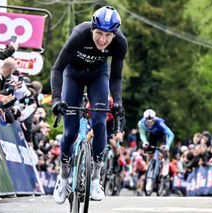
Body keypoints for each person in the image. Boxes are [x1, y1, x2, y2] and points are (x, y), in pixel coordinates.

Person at [50, 6, 127, 203]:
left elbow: (116, 77)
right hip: (72, 74)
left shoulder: (120, 43)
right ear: (92, 29)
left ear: (114, 34)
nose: (103, 39)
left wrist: (117, 102)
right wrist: (57, 99)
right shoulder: (79, 34)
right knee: (70, 131)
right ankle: (64, 175)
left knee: (101, 122)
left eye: (108, 35)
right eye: (99, 33)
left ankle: (95, 178)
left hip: (98, 76)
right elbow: (57, 68)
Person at [138, 109, 174, 176]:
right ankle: (149, 167)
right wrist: (145, 141)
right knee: (149, 150)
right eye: (147, 122)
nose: (149, 124)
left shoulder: (160, 123)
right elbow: (142, 134)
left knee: (163, 149)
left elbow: (171, 134)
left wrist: (168, 145)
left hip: (162, 135)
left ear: (154, 120)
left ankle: (165, 161)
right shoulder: (141, 123)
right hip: (152, 135)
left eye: (151, 122)